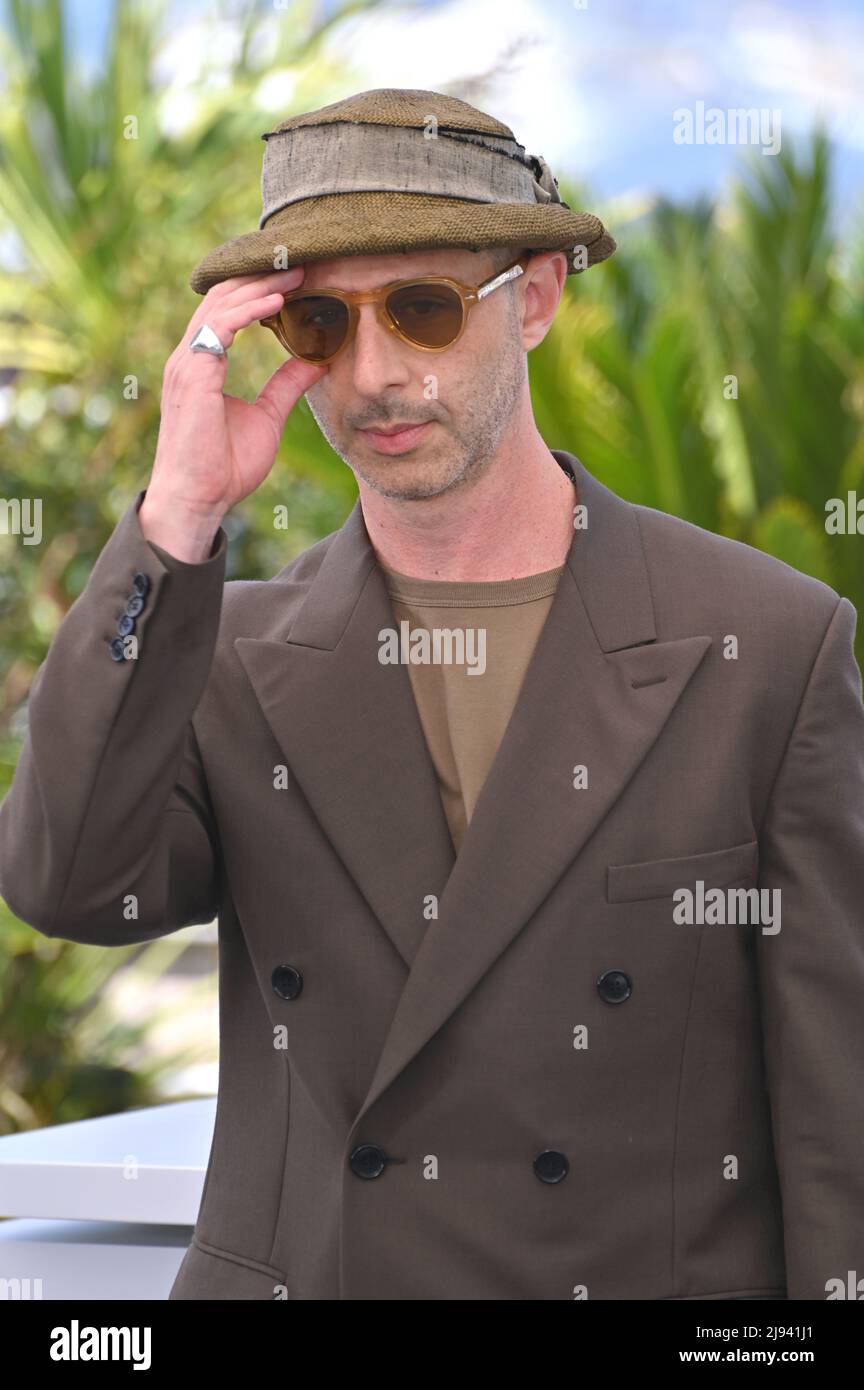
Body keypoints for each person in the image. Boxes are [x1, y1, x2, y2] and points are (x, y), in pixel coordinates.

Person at [1, 88, 862, 1302]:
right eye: (316, 323)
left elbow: (841, 1116)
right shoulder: (229, 654)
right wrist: (177, 520)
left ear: (540, 296)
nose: (373, 374)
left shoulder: (766, 643)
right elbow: (71, 882)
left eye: (422, 307)